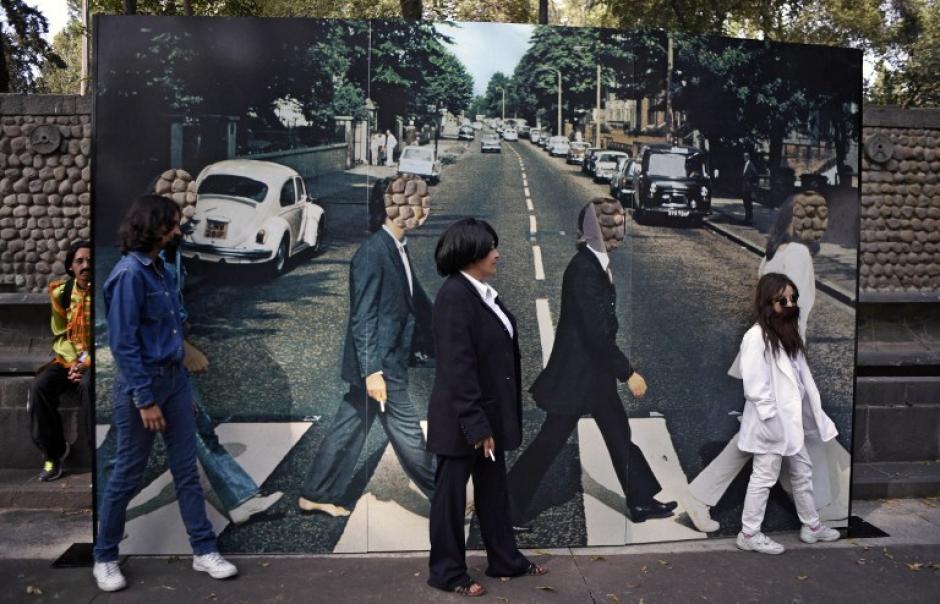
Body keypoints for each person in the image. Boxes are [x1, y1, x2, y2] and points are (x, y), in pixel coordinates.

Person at [95, 221, 283, 525]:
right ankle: (102, 516)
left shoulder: (167, 255)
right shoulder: (133, 270)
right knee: (121, 451)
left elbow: (170, 308)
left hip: (169, 368)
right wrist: (183, 350)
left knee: (198, 427)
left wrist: (182, 327)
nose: (180, 230)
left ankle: (240, 499)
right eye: (174, 222)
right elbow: (132, 334)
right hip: (147, 370)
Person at [94, 195, 238, 592]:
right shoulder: (129, 275)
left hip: (174, 382)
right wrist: (145, 399)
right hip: (142, 385)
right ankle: (104, 557)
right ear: (152, 227)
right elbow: (123, 345)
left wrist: (180, 390)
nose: (177, 230)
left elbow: (172, 330)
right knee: (127, 473)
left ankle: (204, 551)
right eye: (171, 224)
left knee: (186, 471)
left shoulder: (161, 269)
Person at [506, 200, 678, 528]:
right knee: (550, 441)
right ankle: (507, 505)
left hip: (594, 375)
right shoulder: (583, 270)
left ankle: (641, 500)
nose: (618, 232)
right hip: (577, 376)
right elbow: (595, 333)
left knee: (618, 433)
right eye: (610, 225)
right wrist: (628, 372)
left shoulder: (595, 264)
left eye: (618, 224)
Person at [688, 193, 840, 524]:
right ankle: (701, 497)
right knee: (772, 436)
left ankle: (816, 507)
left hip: (770, 351)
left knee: (790, 433)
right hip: (781, 357)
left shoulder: (774, 252)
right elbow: (794, 313)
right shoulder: (798, 254)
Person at [297, 177, 436, 517]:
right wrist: (372, 372)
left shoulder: (397, 247)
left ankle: (316, 492)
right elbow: (363, 318)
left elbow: (416, 303)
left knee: (351, 423)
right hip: (381, 364)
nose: (422, 208)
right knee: (408, 434)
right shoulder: (373, 253)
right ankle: (447, 498)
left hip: (388, 357)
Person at [426, 218, 547, 597]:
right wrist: (476, 425)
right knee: (450, 499)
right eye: (491, 248)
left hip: (486, 415)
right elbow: (457, 368)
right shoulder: (454, 297)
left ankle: (505, 560)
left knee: (494, 492)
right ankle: (447, 573)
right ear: (471, 253)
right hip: (462, 419)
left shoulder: (481, 294)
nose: (497, 254)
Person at [735, 273, 841, 554]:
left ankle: (811, 526)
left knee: (803, 470)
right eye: (782, 300)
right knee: (764, 476)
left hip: (791, 422)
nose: (790, 304)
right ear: (767, 302)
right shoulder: (756, 337)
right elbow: (754, 385)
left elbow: (800, 379)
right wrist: (771, 418)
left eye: (793, 298)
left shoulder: (788, 334)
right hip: (771, 422)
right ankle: (748, 533)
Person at [28, 240, 92, 481]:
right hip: (68, 358)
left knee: (89, 387)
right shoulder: (61, 293)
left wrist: (85, 363)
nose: (85, 266)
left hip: (96, 359)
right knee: (39, 387)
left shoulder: (105, 292)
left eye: (90, 261)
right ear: (70, 266)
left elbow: (107, 333)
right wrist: (74, 362)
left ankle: (95, 456)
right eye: (79, 261)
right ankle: (52, 454)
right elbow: (60, 334)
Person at [741, 152, 759, 224]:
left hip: (748, 187)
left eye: (745, 156)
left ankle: (749, 218)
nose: (744, 157)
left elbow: (755, 174)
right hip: (744, 187)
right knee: (745, 203)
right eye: (744, 156)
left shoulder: (751, 164)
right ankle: (747, 218)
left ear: (748, 157)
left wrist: (749, 180)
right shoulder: (745, 164)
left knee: (748, 203)